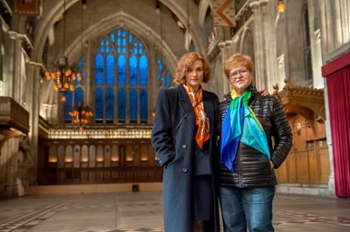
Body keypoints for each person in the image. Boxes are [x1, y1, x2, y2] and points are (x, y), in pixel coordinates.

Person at [217, 53, 293, 232]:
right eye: (233, 73)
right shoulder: (221, 108)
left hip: (259, 179)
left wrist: (274, 161)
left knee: (260, 228)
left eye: (243, 71)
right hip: (228, 181)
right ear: (229, 79)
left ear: (251, 74)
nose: (238, 76)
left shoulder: (269, 102)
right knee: (233, 229)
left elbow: (286, 136)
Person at [151, 52, 220, 232]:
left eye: (199, 69)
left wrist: (254, 96)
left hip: (205, 171)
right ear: (183, 72)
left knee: (203, 221)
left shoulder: (211, 99)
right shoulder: (169, 96)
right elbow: (159, 135)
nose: (195, 74)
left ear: (204, 72)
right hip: (181, 168)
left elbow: (221, 129)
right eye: (189, 70)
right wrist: (170, 160)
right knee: (183, 222)